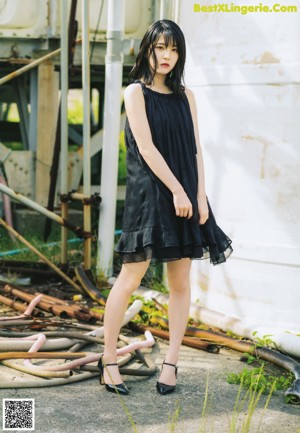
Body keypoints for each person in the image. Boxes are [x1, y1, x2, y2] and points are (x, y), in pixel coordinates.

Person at [98, 19, 233, 396]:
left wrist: (199, 195)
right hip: (152, 194)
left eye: (173, 49)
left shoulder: (186, 97)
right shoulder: (134, 93)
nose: (167, 56)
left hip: (186, 195)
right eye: (160, 47)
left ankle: (171, 361)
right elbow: (146, 147)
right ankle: (108, 359)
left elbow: (195, 150)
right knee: (130, 278)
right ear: (148, 49)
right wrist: (177, 190)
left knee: (179, 283)